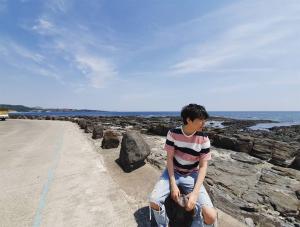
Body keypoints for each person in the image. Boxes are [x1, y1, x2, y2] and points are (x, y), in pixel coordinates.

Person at [148, 103, 218, 227]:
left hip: (192, 174)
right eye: (200, 120)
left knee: (211, 216)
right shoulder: (173, 133)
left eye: (204, 120)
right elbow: (169, 159)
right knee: (154, 200)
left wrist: (195, 194)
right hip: (173, 171)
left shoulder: (204, 139)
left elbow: (203, 166)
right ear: (188, 120)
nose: (204, 123)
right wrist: (173, 184)